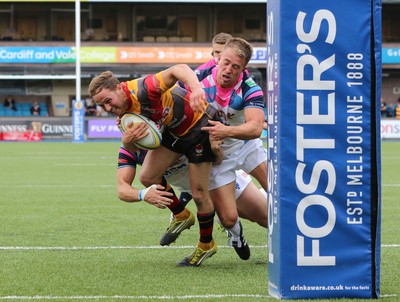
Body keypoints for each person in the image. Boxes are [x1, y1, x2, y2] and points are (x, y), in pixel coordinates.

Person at [89, 64, 218, 267]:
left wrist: (197, 89)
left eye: (108, 101)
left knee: (200, 194)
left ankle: (206, 244)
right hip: (175, 133)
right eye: (102, 106)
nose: (107, 109)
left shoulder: (145, 88)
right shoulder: (124, 112)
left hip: (199, 125)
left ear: (120, 88)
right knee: (147, 176)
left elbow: (180, 69)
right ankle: (181, 214)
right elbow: (130, 154)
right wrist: (126, 139)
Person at [187, 37, 267, 260]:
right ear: (218, 58)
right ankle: (237, 235)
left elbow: (255, 128)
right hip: (220, 154)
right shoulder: (199, 77)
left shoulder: (250, 88)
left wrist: (225, 130)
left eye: (236, 67)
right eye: (226, 62)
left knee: (277, 191)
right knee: (229, 218)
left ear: (243, 69)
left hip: (246, 145)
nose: (229, 70)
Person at [117, 126, 268, 229]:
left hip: (214, 177)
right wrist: (143, 194)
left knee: (263, 217)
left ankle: (259, 196)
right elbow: (122, 189)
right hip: (195, 190)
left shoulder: (170, 135)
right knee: (229, 218)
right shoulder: (129, 151)